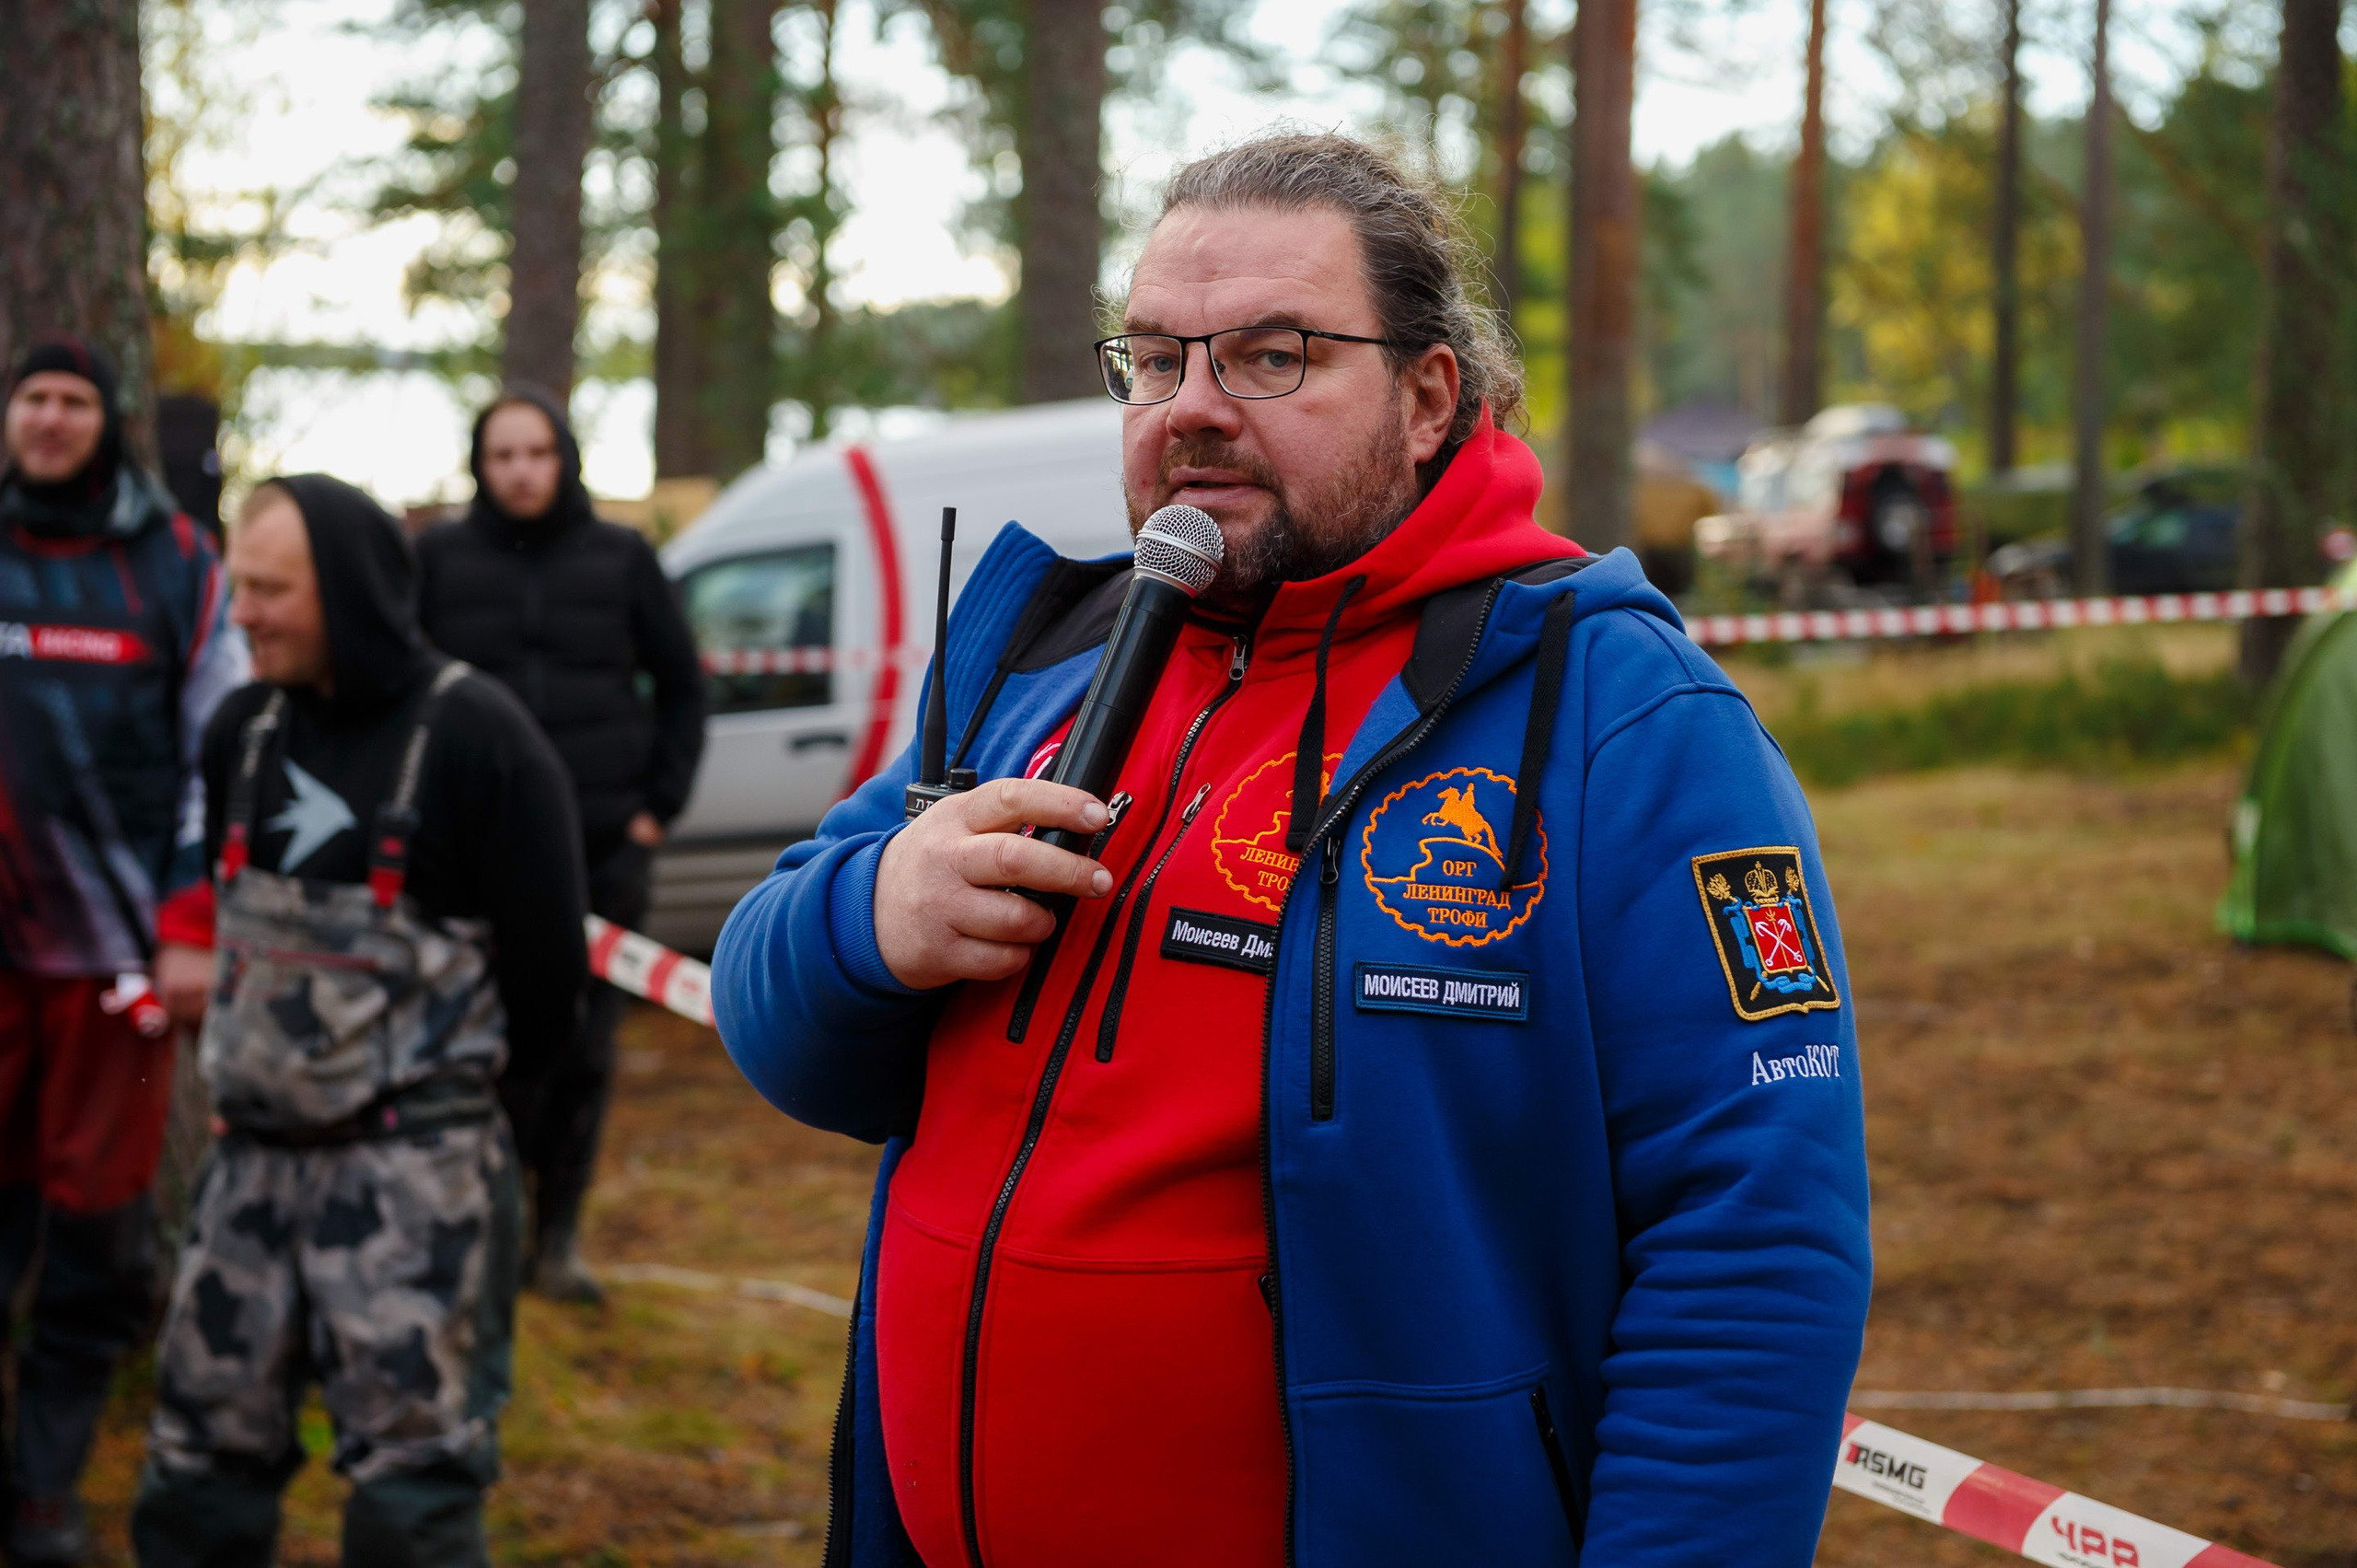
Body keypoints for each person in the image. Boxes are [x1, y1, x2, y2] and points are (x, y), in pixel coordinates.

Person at [712, 132, 1872, 1568]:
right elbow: (773, 1019)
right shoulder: (1038, 656)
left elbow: (1756, 1247)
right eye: (1154, 357)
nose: (1190, 410)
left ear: (1430, 394)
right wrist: (867, 914)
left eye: (1272, 357)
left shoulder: (1619, 712)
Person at [129, 475, 587, 1568]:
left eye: (271, 590)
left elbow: (548, 982)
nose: (242, 614)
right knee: (196, 1468)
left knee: (411, 1488)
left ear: (348, 591)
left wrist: (471, 1142)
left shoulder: (483, 738)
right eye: (238, 586)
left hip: (413, 1183)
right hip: (245, 1179)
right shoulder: (241, 731)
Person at [0, 336, 247, 1565]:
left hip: (115, 967)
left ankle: (45, 1489)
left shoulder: (176, 562)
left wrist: (189, 924)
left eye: (72, 399)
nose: (49, 418)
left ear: (105, 422)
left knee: (96, 1243)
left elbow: (225, 752)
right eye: (32, 397)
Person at [416, 387, 705, 1304]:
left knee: (584, 1048)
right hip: (476, 854)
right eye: (502, 456)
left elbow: (683, 688)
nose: (520, 471)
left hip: (601, 849)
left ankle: (559, 1239)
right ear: (479, 465)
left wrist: (655, 808)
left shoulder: (621, 558)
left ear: (564, 458)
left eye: (536, 452)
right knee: (481, 1043)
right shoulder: (436, 561)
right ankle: (484, 1234)